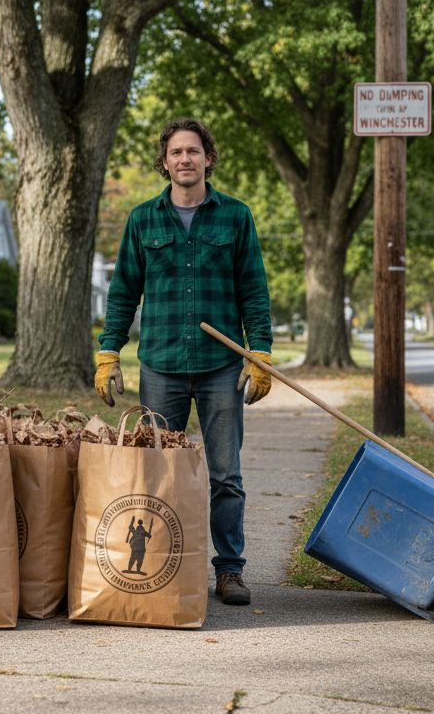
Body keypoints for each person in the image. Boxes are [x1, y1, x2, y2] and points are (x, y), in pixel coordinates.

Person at [94, 117, 273, 606]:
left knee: (225, 474)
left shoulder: (235, 216)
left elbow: (254, 290)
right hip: (161, 365)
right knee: (158, 471)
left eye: (193, 151)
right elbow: (124, 292)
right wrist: (109, 351)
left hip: (220, 366)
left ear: (208, 159)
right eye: (176, 152)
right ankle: (160, 565)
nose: (185, 159)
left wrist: (260, 352)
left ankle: (230, 571)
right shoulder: (142, 219)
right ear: (165, 161)